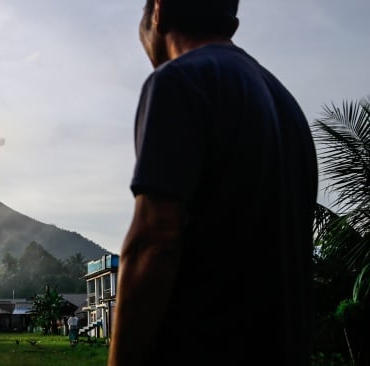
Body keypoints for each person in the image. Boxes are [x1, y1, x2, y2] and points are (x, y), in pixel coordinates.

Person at [108, 1, 318, 365]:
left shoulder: (180, 79)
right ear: (231, 23)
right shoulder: (287, 107)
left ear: (157, 13)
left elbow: (155, 241)